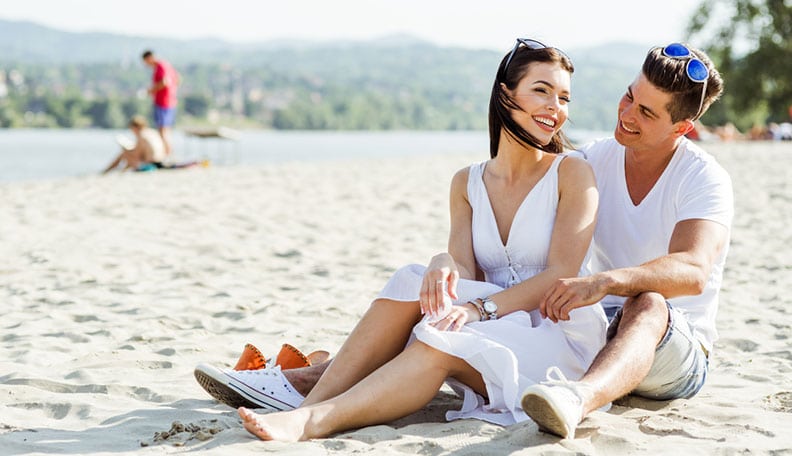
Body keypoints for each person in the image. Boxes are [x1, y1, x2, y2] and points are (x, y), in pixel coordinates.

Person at [193, 38, 608, 441]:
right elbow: (465, 270)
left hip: (555, 336)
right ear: (505, 93)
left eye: (565, 98)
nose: (556, 108)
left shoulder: (571, 173)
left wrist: (479, 309)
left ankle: (311, 419)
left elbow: (562, 273)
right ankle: (309, 406)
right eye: (542, 91)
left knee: (441, 340)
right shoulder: (468, 181)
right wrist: (443, 261)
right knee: (416, 276)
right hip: (489, 319)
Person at [519, 42, 733, 439]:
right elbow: (524, 190)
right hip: (600, 330)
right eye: (630, 97)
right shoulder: (594, 160)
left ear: (681, 128)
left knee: (648, 302)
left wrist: (606, 281)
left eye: (646, 112)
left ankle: (577, 400)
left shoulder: (704, 178)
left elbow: (693, 269)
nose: (627, 114)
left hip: (675, 350)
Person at [141, 49, 179, 157]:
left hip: (163, 102)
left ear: (149, 58)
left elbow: (164, 82)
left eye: (146, 62)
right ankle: (168, 153)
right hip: (170, 101)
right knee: (167, 129)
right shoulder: (167, 65)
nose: (146, 65)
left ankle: (166, 155)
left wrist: (151, 90)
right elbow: (177, 79)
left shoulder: (160, 66)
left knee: (162, 129)